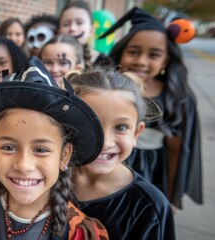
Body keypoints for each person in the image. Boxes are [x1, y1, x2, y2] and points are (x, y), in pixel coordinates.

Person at [0, 57, 109, 239]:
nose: (23, 165)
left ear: (64, 156)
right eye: (9, 147)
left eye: (41, 150)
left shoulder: (79, 233)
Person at [102, 7, 202, 209]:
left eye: (154, 55)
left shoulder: (177, 97)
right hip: (106, 165)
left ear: (165, 60)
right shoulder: (105, 89)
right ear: (121, 53)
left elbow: (176, 149)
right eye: (133, 52)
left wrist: (172, 198)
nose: (141, 61)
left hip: (151, 170)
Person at [66, 69, 175, 239]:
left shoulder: (149, 206)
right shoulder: (46, 179)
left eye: (121, 127)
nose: (105, 142)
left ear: (136, 133)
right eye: (88, 125)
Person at [58, 1, 111, 68]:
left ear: (91, 30)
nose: (72, 28)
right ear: (58, 31)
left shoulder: (103, 62)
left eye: (79, 23)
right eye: (66, 24)